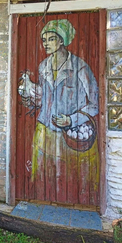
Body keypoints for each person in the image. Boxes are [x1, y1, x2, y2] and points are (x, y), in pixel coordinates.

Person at [18, 19, 99, 181]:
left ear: (62, 40)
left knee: (71, 177)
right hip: (45, 131)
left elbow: (95, 104)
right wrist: (31, 98)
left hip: (72, 135)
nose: (46, 44)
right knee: (42, 175)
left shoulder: (80, 67)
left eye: (51, 39)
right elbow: (46, 99)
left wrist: (71, 119)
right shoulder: (43, 67)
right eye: (43, 40)